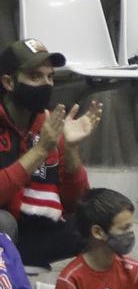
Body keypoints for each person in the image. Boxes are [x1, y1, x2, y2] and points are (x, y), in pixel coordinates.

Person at [0, 39, 100, 265]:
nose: (46, 84)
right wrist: (41, 150)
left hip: (37, 233)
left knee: (98, 219)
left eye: (50, 77)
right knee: (3, 222)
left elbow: (76, 203)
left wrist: (71, 149)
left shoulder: (48, 124)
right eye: (35, 77)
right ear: (8, 82)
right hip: (5, 230)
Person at [50, 190, 138, 289]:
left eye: (131, 227)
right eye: (124, 228)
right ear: (98, 232)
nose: (130, 234)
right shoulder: (70, 279)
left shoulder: (134, 270)